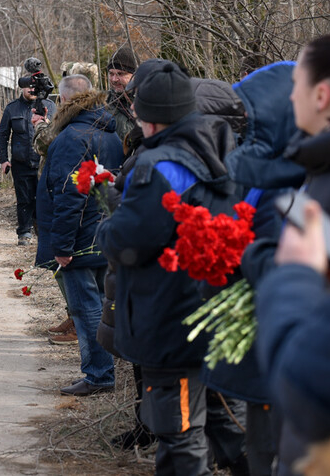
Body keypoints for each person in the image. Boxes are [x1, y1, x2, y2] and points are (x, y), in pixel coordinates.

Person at [97, 62, 239, 475]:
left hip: (169, 318)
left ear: (147, 113)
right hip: (211, 311)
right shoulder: (220, 147)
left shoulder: (159, 165)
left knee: (178, 434)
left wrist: (111, 218)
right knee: (223, 421)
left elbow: (128, 241)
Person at [254, 34, 330, 475]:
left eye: (297, 82)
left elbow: (307, 374)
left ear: (321, 94)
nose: (289, 93)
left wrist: (285, 275)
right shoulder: (316, 171)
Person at [34, 74, 123, 395]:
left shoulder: (72, 138)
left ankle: (99, 375)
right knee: (101, 305)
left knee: (86, 310)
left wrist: (63, 245)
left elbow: (69, 195)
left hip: (82, 241)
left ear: (63, 101)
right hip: (105, 234)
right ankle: (105, 371)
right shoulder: (109, 133)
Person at [0, 72, 56, 245]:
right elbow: (3, 135)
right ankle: (24, 232)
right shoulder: (12, 108)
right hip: (21, 161)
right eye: (28, 86)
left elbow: (58, 131)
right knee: (24, 198)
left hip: (44, 162)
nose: (31, 89)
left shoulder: (50, 106)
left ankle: (41, 230)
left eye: (34, 86)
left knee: (43, 197)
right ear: (22, 87)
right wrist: (3, 159)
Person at [106, 46, 138, 148]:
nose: (114, 79)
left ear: (135, 75)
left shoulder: (148, 103)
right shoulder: (102, 104)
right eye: (111, 74)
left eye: (120, 74)